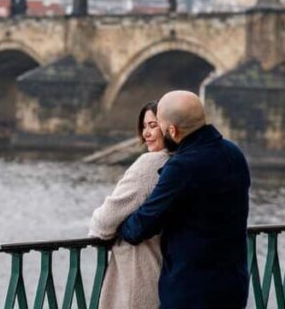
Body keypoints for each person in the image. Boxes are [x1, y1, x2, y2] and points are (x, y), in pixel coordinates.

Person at [118, 91, 250, 309]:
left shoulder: (182, 166)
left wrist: (120, 227)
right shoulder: (234, 153)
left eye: (160, 126)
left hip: (191, 292)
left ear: (172, 131)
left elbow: (142, 225)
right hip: (233, 287)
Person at [88, 101, 170, 309]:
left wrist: (114, 229)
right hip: (170, 279)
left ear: (169, 127)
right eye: (144, 127)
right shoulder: (185, 162)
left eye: (153, 125)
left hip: (140, 277)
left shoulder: (149, 165)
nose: (145, 133)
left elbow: (103, 222)